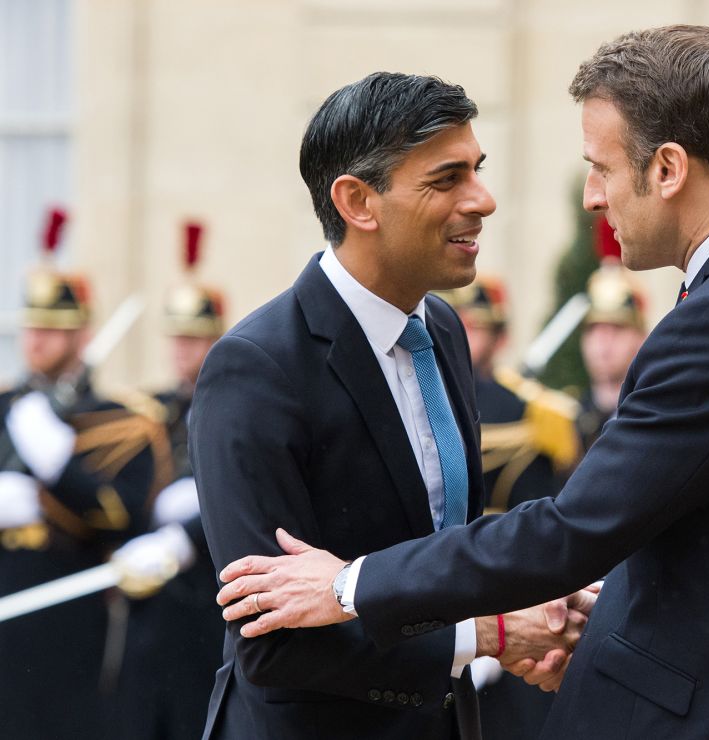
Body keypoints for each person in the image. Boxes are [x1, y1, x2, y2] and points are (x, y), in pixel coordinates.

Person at [217, 26, 709, 739]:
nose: (592, 197)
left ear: (668, 169)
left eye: (601, 167)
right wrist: (592, 621)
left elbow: (575, 528)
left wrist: (346, 584)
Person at [190, 72, 590, 740]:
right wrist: (485, 637)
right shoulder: (258, 368)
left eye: (478, 171)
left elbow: (445, 551)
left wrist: (535, 617)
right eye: (446, 180)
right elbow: (272, 640)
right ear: (357, 202)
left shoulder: (443, 330)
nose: (482, 200)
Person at [0, 252, 165, 738]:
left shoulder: (122, 421)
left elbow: (125, 514)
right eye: (32, 326)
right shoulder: (6, 405)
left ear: (82, 335)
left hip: (66, 607)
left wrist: (57, 471)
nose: (37, 339)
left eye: (53, 328)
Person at [438, 276, 580, 739]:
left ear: (497, 336)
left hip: (513, 586)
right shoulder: (425, 400)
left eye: (475, 326)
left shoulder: (535, 414)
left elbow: (540, 520)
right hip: (436, 582)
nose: (463, 334)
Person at [108, 224, 226, 739]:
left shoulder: (232, 407)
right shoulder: (147, 412)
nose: (185, 350)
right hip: (149, 600)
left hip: (206, 598)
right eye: (178, 337)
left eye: (196, 337)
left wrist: (188, 533)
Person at [576, 259, 646, 450]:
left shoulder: (651, 414)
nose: (603, 343)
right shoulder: (566, 420)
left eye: (617, 329)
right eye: (594, 330)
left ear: (642, 338)